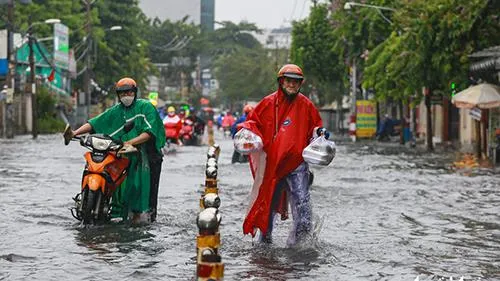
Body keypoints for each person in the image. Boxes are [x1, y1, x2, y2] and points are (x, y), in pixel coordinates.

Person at [235, 64, 329, 245]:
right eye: (289, 81)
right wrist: (247, 133)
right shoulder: (268, 103)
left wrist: (321, 132)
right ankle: (265, 241)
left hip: (297, 164)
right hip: (273, 165)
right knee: (268, 205)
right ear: (281, 81)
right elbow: (252, 123)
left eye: (296, 82)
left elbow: (315, 128)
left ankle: (301, 244)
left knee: (303, 203)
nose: (292, 85)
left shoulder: (306, 105)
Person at [66, 77, 166, 223]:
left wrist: (130, 142)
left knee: (146, 192)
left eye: (129, 92)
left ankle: (145, 217)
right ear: (118, 95)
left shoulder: (145, 107)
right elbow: (95, 123)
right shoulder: (116, 111)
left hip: (148, 155)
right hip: (123, 152)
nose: (126, 96)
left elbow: (150, 132)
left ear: (135, 92)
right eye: (122, 93)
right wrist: (75, 133)